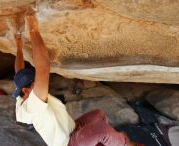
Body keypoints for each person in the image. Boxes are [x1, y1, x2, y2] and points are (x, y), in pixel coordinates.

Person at [13, 12, 135, 146]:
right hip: (69, 143)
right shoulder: (33, 106)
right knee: (102, 131)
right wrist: (33, 29)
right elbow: (43, 68)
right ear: (26, 90)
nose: (41, 84)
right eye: (35, 83)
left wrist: (18, 46)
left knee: (98, 115)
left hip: (72, 128)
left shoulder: (21, 96)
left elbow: (19, 72)